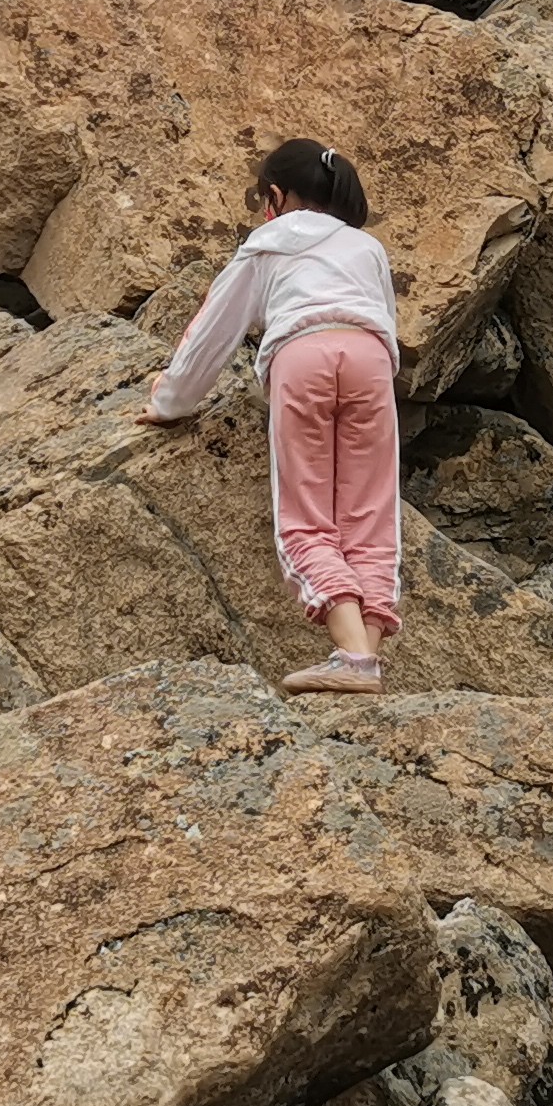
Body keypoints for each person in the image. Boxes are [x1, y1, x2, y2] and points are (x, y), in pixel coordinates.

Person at [134, 136, 402, 694]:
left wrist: (169, 401)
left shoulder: (267, 243)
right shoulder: (366, 247)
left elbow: (211, 333)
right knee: (370, 514)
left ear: (275, 196)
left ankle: (352, 659)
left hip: (302, 356)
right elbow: (384, 319)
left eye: (262, 198)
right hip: (371, 361)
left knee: (305, 518)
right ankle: (366, 659)